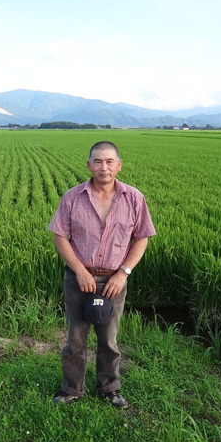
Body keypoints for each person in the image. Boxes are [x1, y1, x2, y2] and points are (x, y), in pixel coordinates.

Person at [48, 140, 156, 408]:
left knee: (109, 339)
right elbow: (60, 236)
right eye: (98, 161)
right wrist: (80, 271)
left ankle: (110, 388)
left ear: (119, 165)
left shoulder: (134, 198)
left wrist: (123, 273)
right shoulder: (72, 197)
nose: (103, 167)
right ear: (89, 165)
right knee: (75, 338)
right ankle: (72, 388)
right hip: (78, 279)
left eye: (109, 161)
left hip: (113, 281)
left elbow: (141, 238)